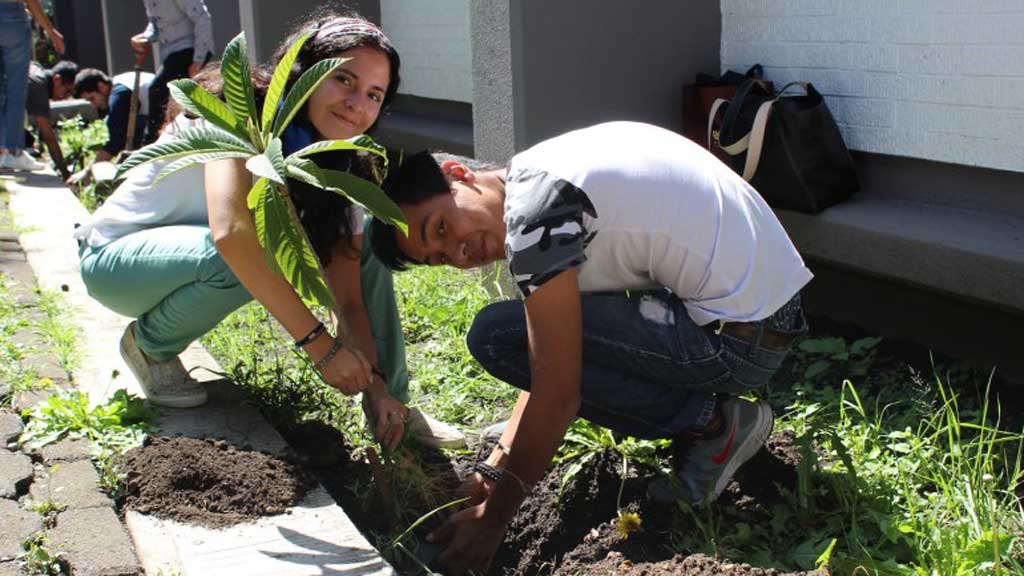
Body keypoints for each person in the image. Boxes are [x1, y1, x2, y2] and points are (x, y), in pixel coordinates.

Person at [368, 121, 813, 573]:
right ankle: (709, 415)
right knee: (529, 337)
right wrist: (495, 465)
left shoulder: (534, 221)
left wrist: (493, 520)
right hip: (766, 312)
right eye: (440, 258)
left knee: (497, 336)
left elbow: (557, 394)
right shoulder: (539, 175)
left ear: (456, 174)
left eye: (442, 228)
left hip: (739, 340)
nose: (459, 254)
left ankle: (715, 426)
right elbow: (555, 345)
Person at [74, 12, 464, 451]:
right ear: (300, 72)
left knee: (366, 243)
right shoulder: (241, 118)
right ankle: (149, 347)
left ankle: (395, 410)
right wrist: (322, 348)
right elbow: (231, 235)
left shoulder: (338, 164)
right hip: (117, 262)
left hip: (196, 258)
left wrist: (374, 387)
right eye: (344, 80)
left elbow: (350, 298)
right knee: (248, 245)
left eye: (374, 95)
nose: (358, 103)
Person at [132, 0, 213, 145]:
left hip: (192, 48)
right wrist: (145, 37)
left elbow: (203, 19)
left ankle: (150, 144)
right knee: (174, 100)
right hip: (171, 53)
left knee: (157, 90)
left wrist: (198, 60)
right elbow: (155, 24)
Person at [0, 0, 64, 172]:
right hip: (12, 18)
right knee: (16, 90)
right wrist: (51, 31)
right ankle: (13, 152)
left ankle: (1, 151)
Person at [67, 67, 155, 184]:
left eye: (92, 98)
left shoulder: (120, 94)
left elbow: (116, 141)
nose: (94, 105)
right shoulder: (120, 84)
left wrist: (88, 173)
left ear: (101, 86)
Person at [24, 59, 77, 178]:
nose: (65, 98)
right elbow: (49, 137)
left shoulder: (36, 70)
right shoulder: (39, 85)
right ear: (57, 79)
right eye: (67, 91)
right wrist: (65, 173)